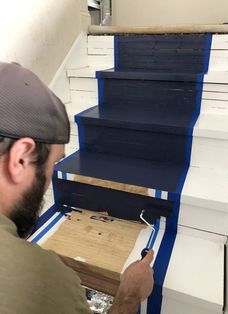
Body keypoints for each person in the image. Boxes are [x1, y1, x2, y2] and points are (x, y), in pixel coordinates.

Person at [0, 62, 154, 314]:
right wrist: (129, 296)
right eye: (55, 163)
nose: (51, 180)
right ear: (21, 158)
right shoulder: (40, 280)